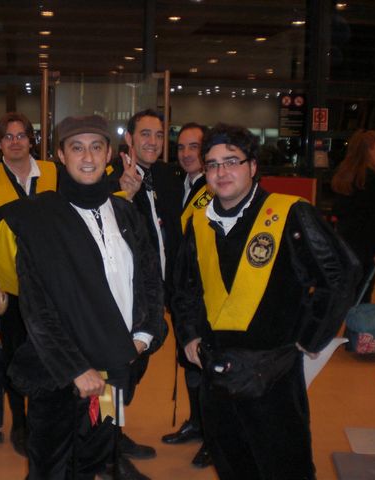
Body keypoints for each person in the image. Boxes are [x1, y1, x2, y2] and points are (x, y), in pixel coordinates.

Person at [173, 123, 356, 480]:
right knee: (231, 464)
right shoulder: (197, 223)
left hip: (273, 376)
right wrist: (189, 334)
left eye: (232, 161)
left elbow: (340, 273)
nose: (221, 172)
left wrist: (311, 337)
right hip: (217, 373)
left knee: (284, 467)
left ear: (253, 166)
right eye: (212, 164)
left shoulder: (290, 213)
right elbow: (184, 288)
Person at [0, 115, 166, 480]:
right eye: (77, 148)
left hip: (115, 365)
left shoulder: (125, 212)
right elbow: (37, 309)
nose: (87, 157)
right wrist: (75, 368)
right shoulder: (39, 219)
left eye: (96, 147)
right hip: (59, 374)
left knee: (98, 453)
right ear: (60, 155)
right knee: (51, 466)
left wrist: (143, 336)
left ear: (109, 154)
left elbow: (149, 280)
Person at [0, 112, 57, 455]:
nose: (15, 142)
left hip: (52, 285)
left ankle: (48, 416)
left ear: (32, 139)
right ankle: (20, 420)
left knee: (52, 350)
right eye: (8, 136)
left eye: (21, 135)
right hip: (9, 288)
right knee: (15, 353)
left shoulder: (53, 173)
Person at [113, 109, 183, 461]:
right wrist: (123, 194)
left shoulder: (167, 176)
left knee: (135, 363)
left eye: (158, 134)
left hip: (157, 293)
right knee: (116, 368)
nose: (153, 141)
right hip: (122, 295)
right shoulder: (111, 176)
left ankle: (112, 429)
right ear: (129, 138)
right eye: (145, 134)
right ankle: (108, 438)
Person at [160, 122, 213, 469]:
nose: (186, 153)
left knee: (208, 363)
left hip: (208, 292)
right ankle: (197, 421)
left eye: (194, 146)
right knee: (188, 358)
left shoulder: (216, 187)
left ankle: (214, 434)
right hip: (183, 291)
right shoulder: (178, 184)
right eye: (181, 147)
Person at [332, 129, 375, 303]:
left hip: (345, 244)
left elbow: (338, 211)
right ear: (368, 151)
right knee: (363, 296)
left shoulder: (345, 175)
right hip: (367, 248)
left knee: (348, 295)